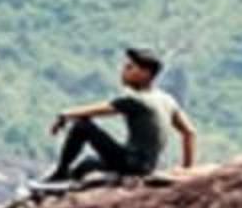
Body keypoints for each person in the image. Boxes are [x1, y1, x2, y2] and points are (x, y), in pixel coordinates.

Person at [30, 46, 197, 192]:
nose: (124, 71)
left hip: (131, 163)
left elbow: (99, 110)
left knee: (83, 126)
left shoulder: (136, 100)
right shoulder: (167, 99)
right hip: (147, 166)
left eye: (130, 67)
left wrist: (64, 115)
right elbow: (189, 133)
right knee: (88, 164)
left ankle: (60, 173)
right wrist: (187, 170)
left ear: (145, 74)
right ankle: (66, 185)